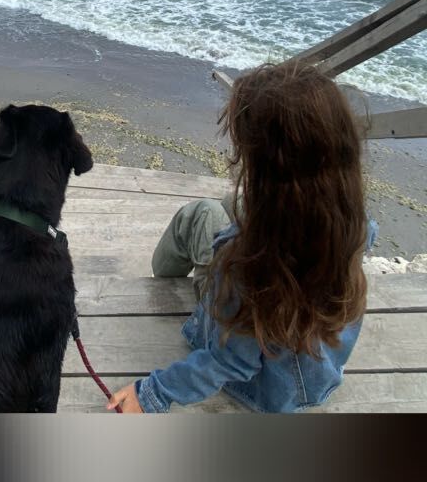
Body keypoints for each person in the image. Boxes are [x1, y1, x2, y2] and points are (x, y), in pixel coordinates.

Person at [107, 60, 378, 414]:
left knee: (201, 213)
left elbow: (231, 362)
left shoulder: (245, 266)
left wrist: (150, 394)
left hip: (261, 391)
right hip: (316, 378)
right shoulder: (354, 228)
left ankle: (164, 284)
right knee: (229, 203)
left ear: (264, 174)